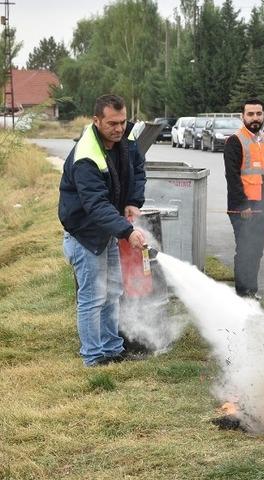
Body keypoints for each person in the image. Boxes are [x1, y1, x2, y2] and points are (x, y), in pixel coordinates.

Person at [59, 94, 147, 367]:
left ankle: (112, 349)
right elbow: (95, 205)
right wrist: (126, 231)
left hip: (107, 229)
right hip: (85, 233)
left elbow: (138, 170)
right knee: (92, 297)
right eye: (112, 123)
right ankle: (93, 356)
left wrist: (133, 201)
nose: (119, 128)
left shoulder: (126, 139)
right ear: (96, 121)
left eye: (122, 122)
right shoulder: (85, 156)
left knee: (113, 292)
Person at [224, 99, 264, 299]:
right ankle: (242, 293)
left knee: (257, 250)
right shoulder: (235, 141)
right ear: (242, 116)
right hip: (244, 209)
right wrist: (242, 205)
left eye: (258, 114)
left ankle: (251, 290)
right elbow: (232, 176)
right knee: (245, 250)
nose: (255, 118)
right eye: (250, 114)